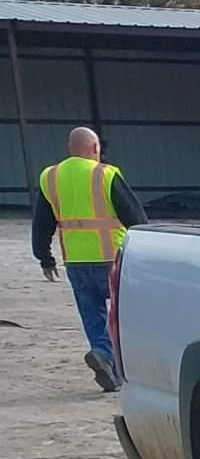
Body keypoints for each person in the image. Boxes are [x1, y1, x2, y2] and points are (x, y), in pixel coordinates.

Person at [33, 126, 144, 393]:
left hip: (76, 262)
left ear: (70, 148)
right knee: (125, 313)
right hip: (113, 258)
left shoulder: (50, 177)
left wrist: (44, 258)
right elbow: (135, 216)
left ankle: (102, 354)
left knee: (92, 313)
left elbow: (41, 223)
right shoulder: (105, 174)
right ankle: (123, 364)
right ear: (95, 148)